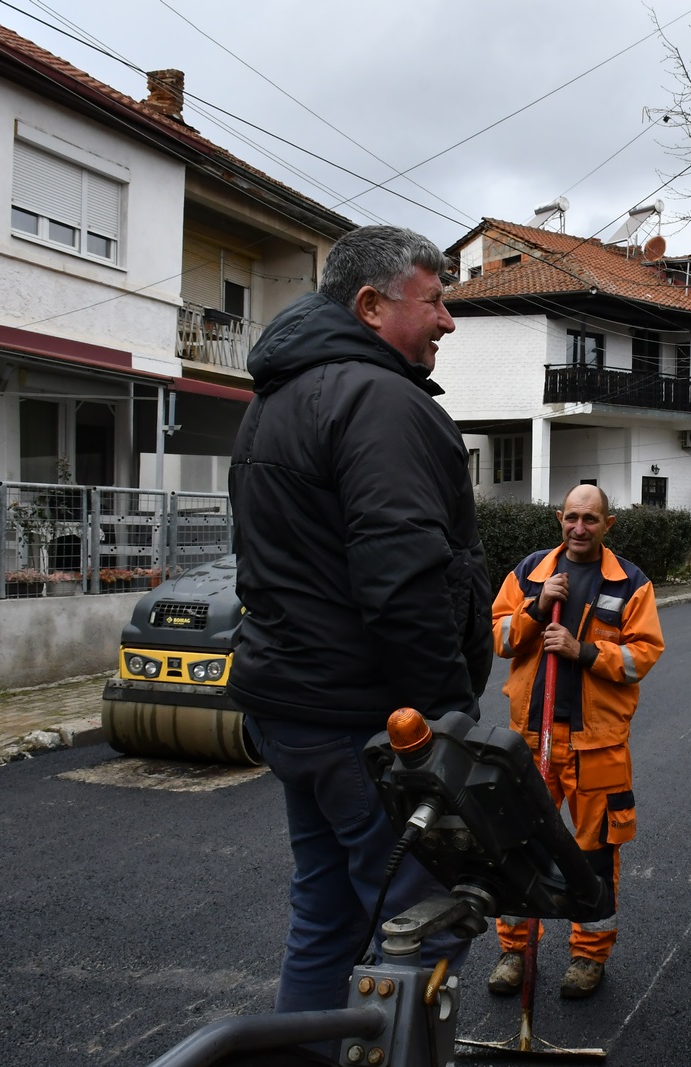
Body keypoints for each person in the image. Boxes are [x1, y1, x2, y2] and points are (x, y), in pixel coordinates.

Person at [228, 226, 492, 1036]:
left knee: (329, 910)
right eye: (435, 301)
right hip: (367, 723)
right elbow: (402, 579)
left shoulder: (275, 399)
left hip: (295, 709)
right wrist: (445, 719)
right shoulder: (379, 401)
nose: (448, 320)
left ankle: (297, 1057)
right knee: (424, 922)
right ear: (372, 306)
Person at [485, 484, 664, 999]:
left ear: (608, 524)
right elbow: (500, 638)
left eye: (590, 519)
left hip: (596, 745)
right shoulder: (530, 573)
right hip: (529, 739)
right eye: (571, 517)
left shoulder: (630, 582)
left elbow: (642, 656)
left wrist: (583, 651)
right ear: (559, 519)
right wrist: (537, 608)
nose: (579, 528)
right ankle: (515, 950)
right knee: (520, 847)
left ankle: (588, 956)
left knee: (594, 854)